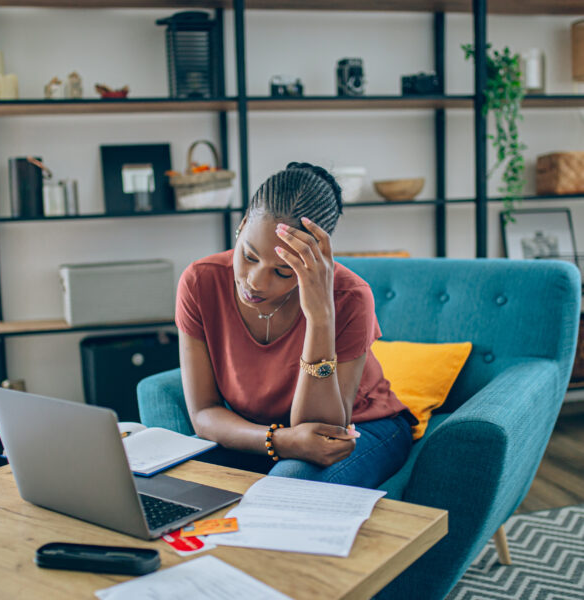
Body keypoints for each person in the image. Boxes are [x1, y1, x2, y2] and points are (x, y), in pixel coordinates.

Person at [175, 162, 417, 489]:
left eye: (283, 271)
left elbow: (321, 430)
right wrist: (280, 441)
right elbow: (204, 412)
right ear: (243, 225)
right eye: (248, 256)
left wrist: (320, 318)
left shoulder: (349, 297)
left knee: (294, 482)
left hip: (361, 427)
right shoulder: (200, 281)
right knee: (177, 474)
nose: (255, 282)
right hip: (271, 431)